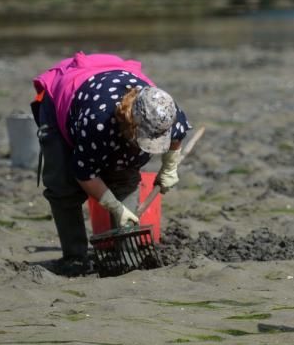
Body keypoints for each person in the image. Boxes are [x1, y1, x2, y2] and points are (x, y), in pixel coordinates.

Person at [31, 52, 191, 276]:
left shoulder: (166, 111)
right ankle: (75, 257)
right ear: (131, 126)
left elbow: (177, 135)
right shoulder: (98, 122)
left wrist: (169, 168)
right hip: (66, 96)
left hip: (108, 89)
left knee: (125, 179)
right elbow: (84, 172)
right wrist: (114, 206)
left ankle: (126, 255)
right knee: (63, 187)